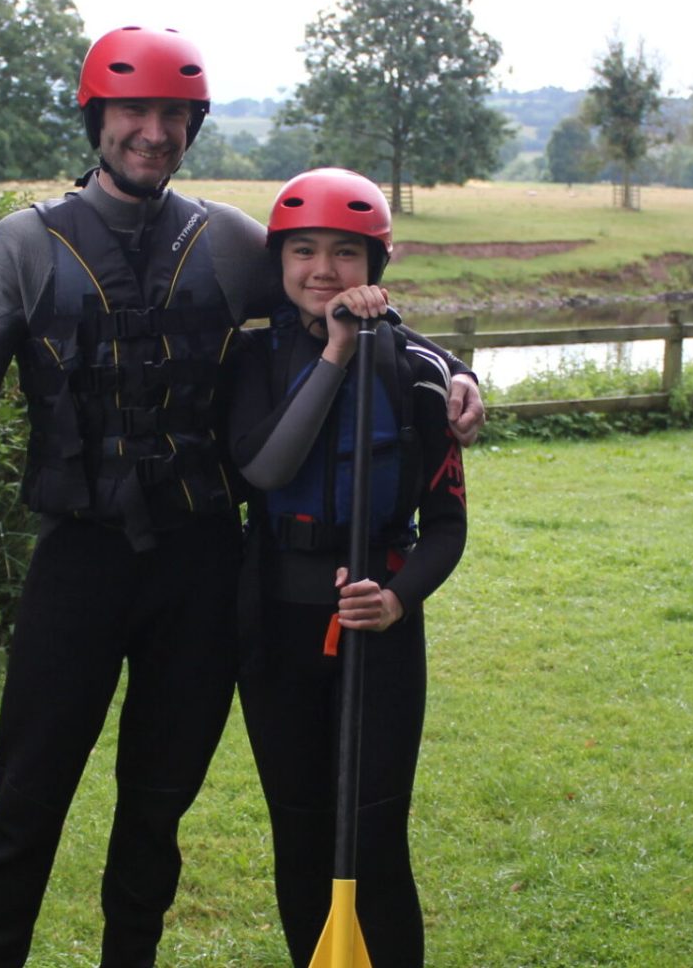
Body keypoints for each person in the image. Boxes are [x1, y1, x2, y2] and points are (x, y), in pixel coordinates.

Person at [0, 28, 483, 967]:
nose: (152, 132)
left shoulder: (227, 241)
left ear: (193, 126)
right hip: (80, 563)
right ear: (96, 120)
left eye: (172, 115)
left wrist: (456, 370)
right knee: (28, 801)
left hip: (201, 566)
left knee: (156, 808)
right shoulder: (26, 244)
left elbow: (340, 297)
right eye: (133, 112)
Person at [229, 168, 466, 967]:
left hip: (380, 637)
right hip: (276, 629)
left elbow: (447, 526)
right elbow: (264, 468)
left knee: (373, 836)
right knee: (300, 836)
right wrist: (335, 351)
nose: (323, 269)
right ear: (279, 260)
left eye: (345, 252)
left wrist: (396, 600)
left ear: (375, 265)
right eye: (304, 251)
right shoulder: (253, 358)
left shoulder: (418, 372)